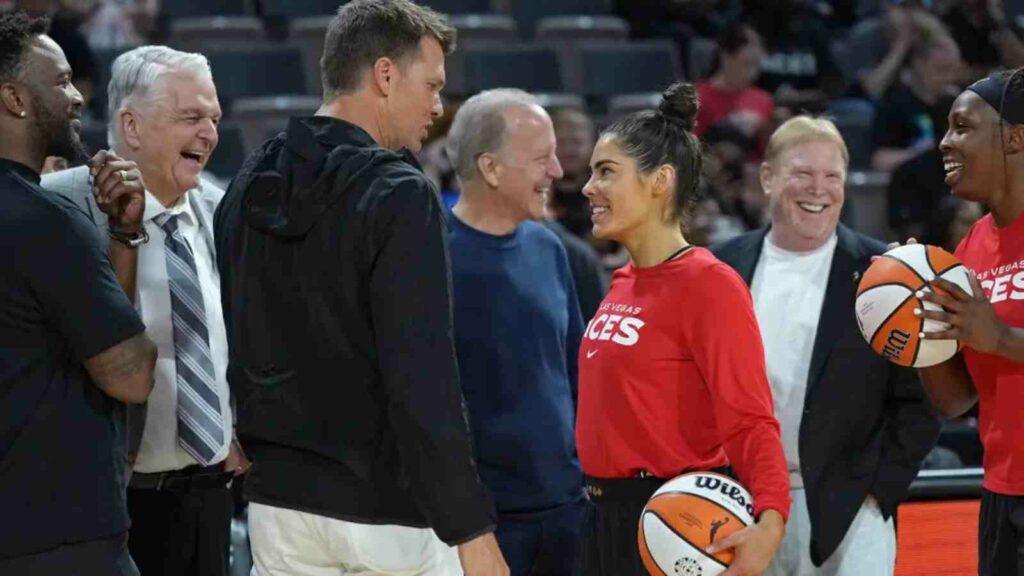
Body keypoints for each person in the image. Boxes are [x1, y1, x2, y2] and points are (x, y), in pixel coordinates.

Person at [213, 1, 507, 574]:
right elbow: (421, 376)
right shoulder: (401, 193)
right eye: (433, 85)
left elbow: (230, 335)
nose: (438, 107)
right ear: (386, 75)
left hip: (279, 508)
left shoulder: (246, 182)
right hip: (390, 513)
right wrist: (471, 528)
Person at [42, 45, 245, 576]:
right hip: (105, 503)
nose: (209, 133)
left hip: (210, 493)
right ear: (131, 126)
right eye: (191, 117)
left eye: (214, 118)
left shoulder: (220, 209)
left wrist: (244, 424)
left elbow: (245, 334)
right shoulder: (57, 207)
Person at [575, 81, 790, 576]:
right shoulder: (623, 281)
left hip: (673, 518)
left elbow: (751, 420)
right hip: (601, 517)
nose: (588, 187)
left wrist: (771, 521)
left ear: (660, 181)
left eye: (606, 172)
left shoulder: (710, 285)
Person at [712, 116, 942, 575]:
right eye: (802, 173)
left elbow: (923, 397)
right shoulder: (721, 265)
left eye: (831, 176)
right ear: (768, 177)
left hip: (851, 509)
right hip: (741, 502)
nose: (818, 189)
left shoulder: (886, 272)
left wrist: (878, 492)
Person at [0, 10, 156, 574]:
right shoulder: (48, 222)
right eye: (61, 81)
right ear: (15, 98)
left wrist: (120, 234)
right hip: (59, 540)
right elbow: (131, 374)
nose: (76, 97)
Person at [443, 89, 586, 576]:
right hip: (482, 526)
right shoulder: (428, 258)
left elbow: (576, 375)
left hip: (568, 507)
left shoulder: (551, 249)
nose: (558, 173)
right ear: (490, 168)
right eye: (541, 159)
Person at [913, 68, 1024, 576]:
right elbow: (958, 399)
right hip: (1002, 494)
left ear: (1015, 136)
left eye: (961, 126)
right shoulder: (969, 249)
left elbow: (994, 339)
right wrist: (914, 327)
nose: (944, 142)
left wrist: (999, 338)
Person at [870, 36, 963, 172]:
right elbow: (880, 160)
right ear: (919, 65)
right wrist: (926, 156)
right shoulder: (896, 104)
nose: (949, 78)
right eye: (941, 69)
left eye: (953, 71)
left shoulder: (958, 105)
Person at [695, 23, 774, 143]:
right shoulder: (696, 98)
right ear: (725, 54)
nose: (757, 53)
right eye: (749, 45)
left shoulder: (763, 100)